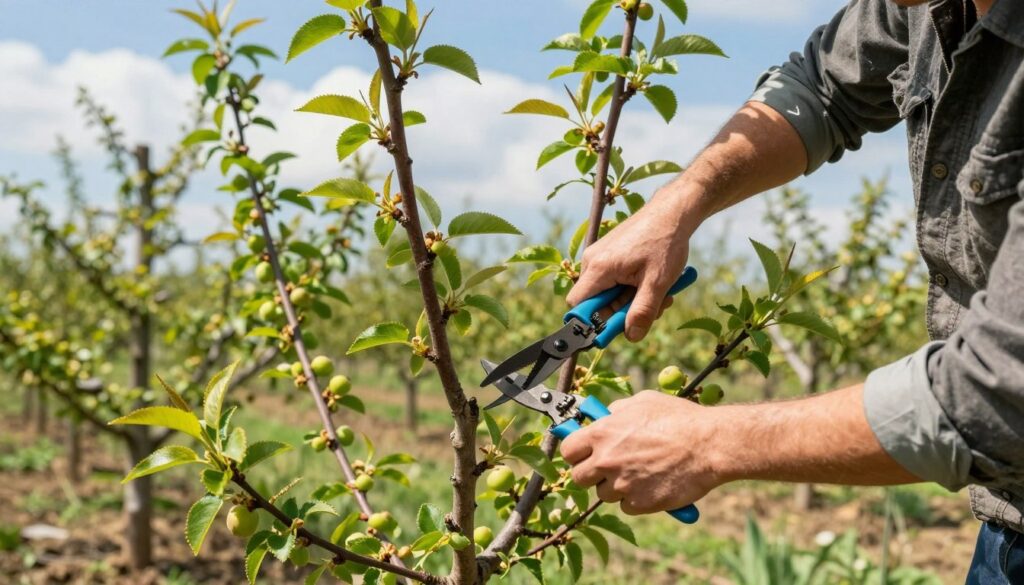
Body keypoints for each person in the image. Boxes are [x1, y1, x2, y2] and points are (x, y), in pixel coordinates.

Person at [558, 0, 1023, 581]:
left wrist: (706, 442)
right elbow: (823, 85)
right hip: (1007, 520)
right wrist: (677, 205)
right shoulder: (921, 7)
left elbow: (1000, 393)